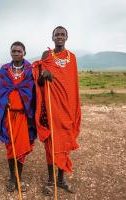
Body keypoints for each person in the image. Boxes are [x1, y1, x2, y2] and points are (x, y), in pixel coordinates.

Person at [32, 26, 81, 196]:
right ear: (52, 37)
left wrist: (74, 108)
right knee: (51, 145)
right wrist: (44, 75)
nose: (59, 36)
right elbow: (38, 83)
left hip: (66, 109)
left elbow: (73, 86)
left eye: (62, 34)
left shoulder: (72, 58)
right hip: (51, 108)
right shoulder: (47, 56)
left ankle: (61, 180)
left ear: (67, 37)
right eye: (56, 34)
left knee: (65, 143)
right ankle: (51, 180)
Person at [0, 41, 36, 192]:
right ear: (10, 52)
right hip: (8, 115)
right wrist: (3, 101)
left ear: (24, 52)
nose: (16, 53)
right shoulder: (4, 70)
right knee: (10, 147)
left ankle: (19, 178)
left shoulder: (30, 70)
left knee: (21, 147)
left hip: (24, 116)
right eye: (14, 51)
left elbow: (34, 92)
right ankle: (12, 178)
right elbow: (0, 92)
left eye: (19, 51)